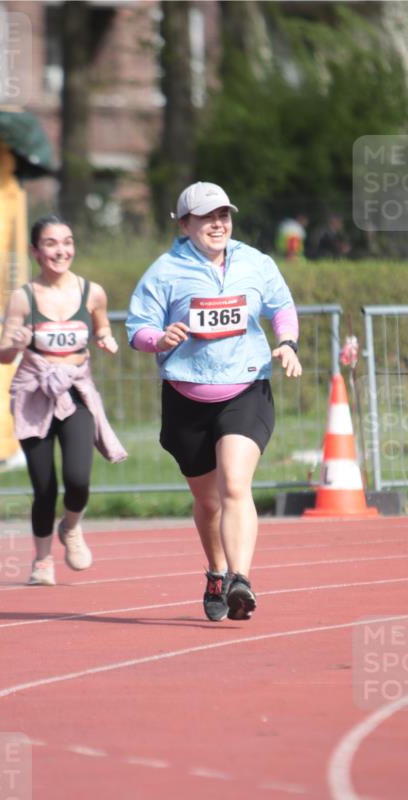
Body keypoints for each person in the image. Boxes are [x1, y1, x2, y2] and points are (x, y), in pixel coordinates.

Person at [126, 181, 302, 621]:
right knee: (209, 502)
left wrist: (289, 342)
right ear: (184, 223)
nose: (218, 224)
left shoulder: (255, 263)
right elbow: (137, 327)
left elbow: (281, 305)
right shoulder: (164, 272)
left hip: (245, 388)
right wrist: (158, 338)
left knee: (235, 485)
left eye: (224, 215)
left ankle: (241, 578)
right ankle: (217, 572)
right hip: (186, 396)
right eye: (207, 217)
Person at [0, 215, 127, 586]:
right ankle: (41, 561)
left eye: (67, 242)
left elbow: (100, 323)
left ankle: (70, 527)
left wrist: (105, 338)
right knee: (44, 486)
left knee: (78, 478)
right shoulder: (22, 298)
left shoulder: (92, 292)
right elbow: (3, 355)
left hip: (75, 390)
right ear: (36, 251)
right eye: (52, 244)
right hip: (33, 393)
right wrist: (15, 343)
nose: (61, 250)